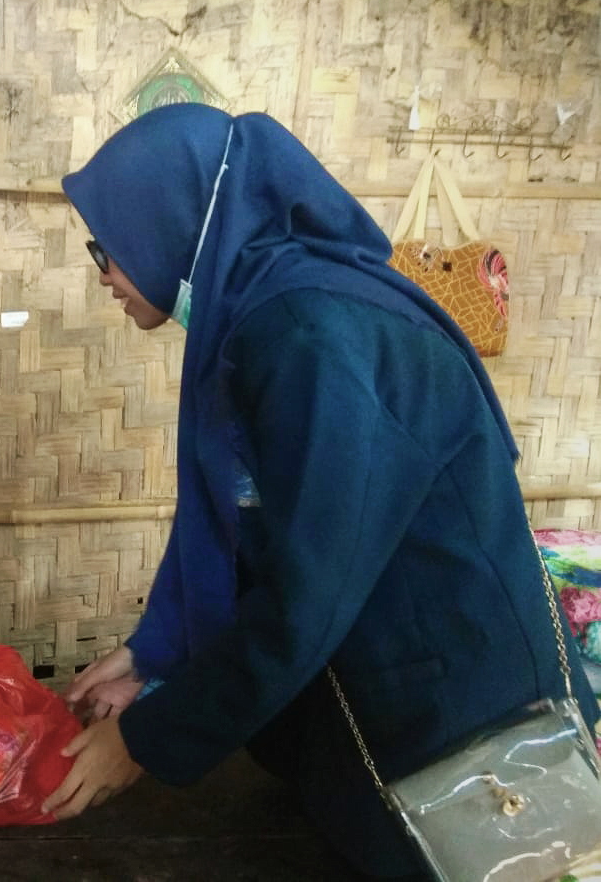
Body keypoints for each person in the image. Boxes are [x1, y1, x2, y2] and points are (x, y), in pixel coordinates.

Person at [39, 104, 601, 880]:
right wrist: (151, 656)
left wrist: (147, 738)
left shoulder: (310, 334)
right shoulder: (254, 319)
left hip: (464, 705)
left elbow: (309, 592)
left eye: (107, 245)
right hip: (388, 686)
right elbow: (237, 524)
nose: (103, 273)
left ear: (165, 215)